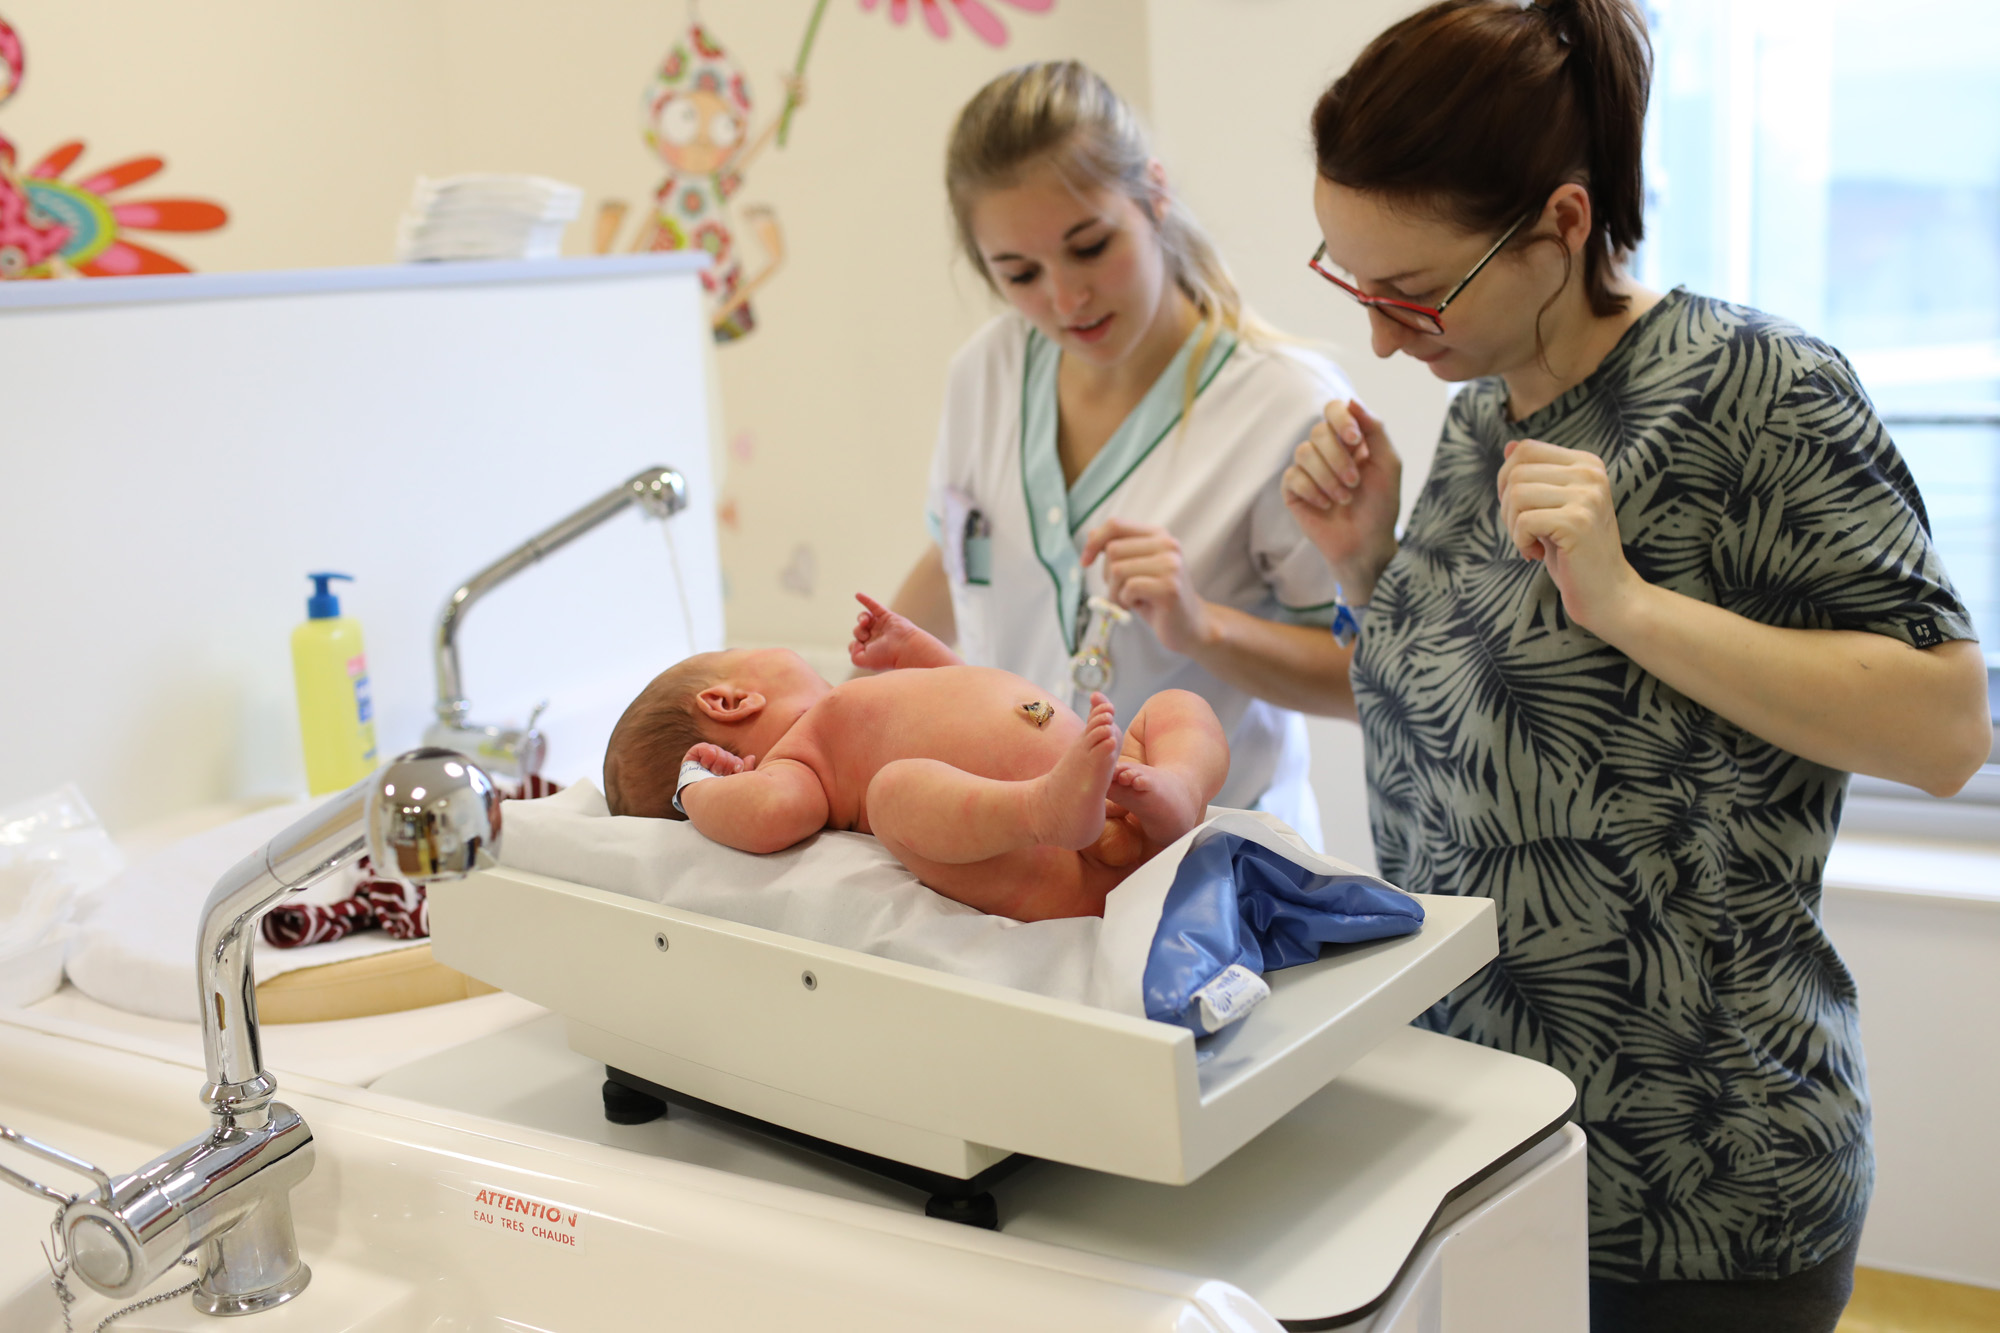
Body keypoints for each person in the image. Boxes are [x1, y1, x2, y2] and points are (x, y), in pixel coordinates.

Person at [1282, 2, 1992, 1329]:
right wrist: (1366, 565)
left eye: (1414, 290)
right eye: (1352, 280)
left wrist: (1628, 603)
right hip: (1486, 1156)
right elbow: (1479, 744)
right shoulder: (1479, 411)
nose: (1382, 337)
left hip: (1702, 1191)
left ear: (1560, 223)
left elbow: (1948, 728)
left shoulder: (1761, 387)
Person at [888, 60, 1354, 849]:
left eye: (1090, 246)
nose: (1066, 299)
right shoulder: (987, 370)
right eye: (1021, 273)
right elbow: (957, 550)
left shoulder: (1287, 408)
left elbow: (1366, 678)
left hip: (1217, 870)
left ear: (1154, 195)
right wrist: (835, 711)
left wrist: (1203, 628)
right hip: (1026, 850)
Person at [601, 595, 1229, 922]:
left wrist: (919, 650)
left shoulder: (857, 703)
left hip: (1118, 790)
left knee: (1176, 708)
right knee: (893, 792)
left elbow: (972, 693)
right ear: (731, 700)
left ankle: (1174, 787)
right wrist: (697, 788)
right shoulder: (801, 757)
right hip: (1051, 855)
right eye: (743, 647)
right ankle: (1043, 809)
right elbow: (768, 815)